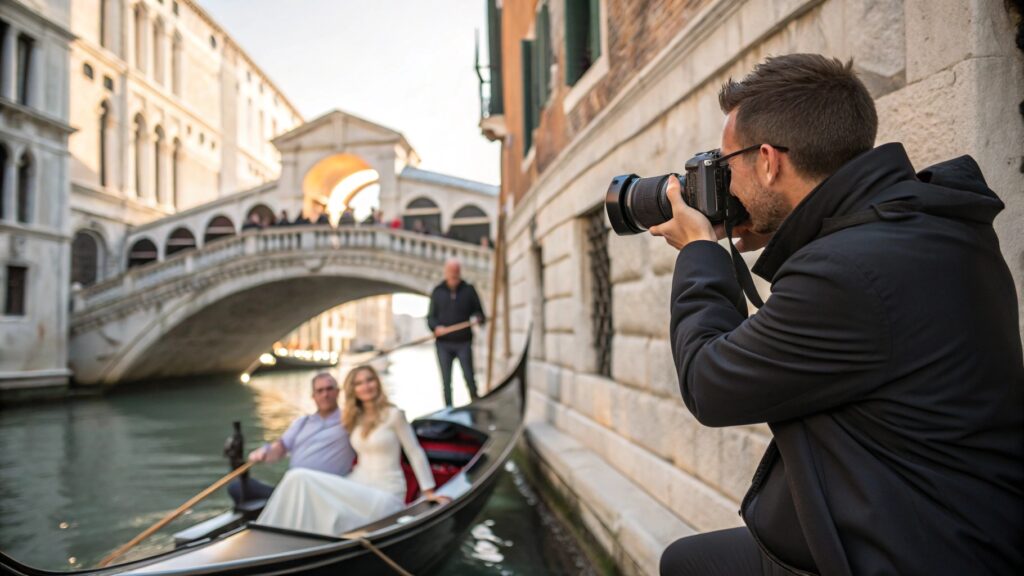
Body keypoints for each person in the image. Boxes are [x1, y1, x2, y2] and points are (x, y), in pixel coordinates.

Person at [650, 54, 1023, 575]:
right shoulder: (925, 224)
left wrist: (701, 251)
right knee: (693, 562)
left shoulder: (847, 271)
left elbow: (710, 384)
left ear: (767, 161)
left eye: (724, 162)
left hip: (913, 550)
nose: (722, 182)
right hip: (941, 521)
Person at [256, 365, 445, 536]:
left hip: (386, 491)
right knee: (297, 481)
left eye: (369, 380)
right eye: (359, 383)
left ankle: (267, 535)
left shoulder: (394, 415)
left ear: (377, 383)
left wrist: (428, 491)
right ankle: (274, 536)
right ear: (353, 390)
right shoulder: (351, 419)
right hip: (356, 483)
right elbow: (286, 444)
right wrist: (265, 451)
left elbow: (414, 452)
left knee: (298, 476)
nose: (365, 386)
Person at [228, 373, 355, 507]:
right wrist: (263, 453)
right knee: (237, 488)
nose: (325, 394)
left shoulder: (349, 421)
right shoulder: (302, 423)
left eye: (329, 389)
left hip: (323, 491)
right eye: (320, 391)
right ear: (313, 396)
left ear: (338, 392)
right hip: (293, 490)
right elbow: (280, 447)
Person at [426, 258, 486, 407]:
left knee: (470, 379)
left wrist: (478, 318)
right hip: (443, 344)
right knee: (446, 383)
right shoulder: (438, 291)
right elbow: (430, 318)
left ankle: (476, 406)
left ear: (459, 273)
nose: (453, 276)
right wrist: (436, 328)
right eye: (450, 273)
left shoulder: (469, 290)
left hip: (464, 342)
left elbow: (480, 313)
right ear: (446, 273)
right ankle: (448, 410)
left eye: (456, 273)